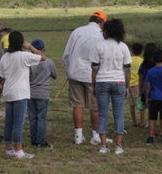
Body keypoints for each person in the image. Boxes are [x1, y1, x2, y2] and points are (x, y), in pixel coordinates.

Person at [62, 11, 112, 145]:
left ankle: (78, 136)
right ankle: (95, 135)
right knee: (95, 106)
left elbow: (67, 53)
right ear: (102, 23)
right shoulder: (101, 35)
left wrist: (68, 66)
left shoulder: (77, 31)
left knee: (78, 105)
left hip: (75, 72)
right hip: (93, 75)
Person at [0, 31, 46, 159]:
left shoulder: (5, 57)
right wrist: (30, 47)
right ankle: (18, 150)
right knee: (18, 123)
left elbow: (2, 77)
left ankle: (9, 150)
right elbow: (42, 57)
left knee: (9, 122)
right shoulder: (24, 55)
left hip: (8, 92)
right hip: (20, 93)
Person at [90, 18, 132, 154]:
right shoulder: (123, 47)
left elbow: (95, 68)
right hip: (119, 82)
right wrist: (127, 86)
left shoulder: (99, 46)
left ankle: (104, 145)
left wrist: (93, 85)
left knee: (102, 114)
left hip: (102, 81)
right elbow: (127, 69)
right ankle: (118, 146)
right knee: (118, 114)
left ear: (107, 31)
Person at [28, 39, 57, 149]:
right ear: (43, 49)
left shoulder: (29, 62)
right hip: (43, 93)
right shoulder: (48, 62)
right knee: (41, 118)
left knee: (32, 118)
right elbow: (54, 75)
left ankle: (33, 139)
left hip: (30, 92)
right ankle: (40, 141)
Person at [138, 43, 158, 131]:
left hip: (146, 90)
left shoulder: (143, 65)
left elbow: (141, 79)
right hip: (157, 89)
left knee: (151, 110)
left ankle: (151, 127)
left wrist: (140, 90)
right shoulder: (158, 65)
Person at [127, 42, 145, 127]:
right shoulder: (142, 61)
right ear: (142, 51)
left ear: (131, 51)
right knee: (141, 104)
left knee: (131, 104)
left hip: (129, 84)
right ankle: (142, 122)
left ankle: (135, 121)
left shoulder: (128, 60)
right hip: (137, 84)